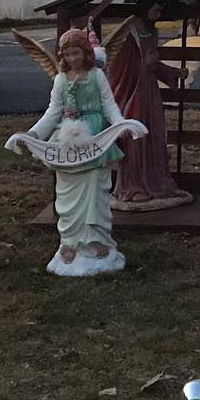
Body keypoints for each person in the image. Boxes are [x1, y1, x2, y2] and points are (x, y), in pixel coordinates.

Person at [26, 28, 128, 275]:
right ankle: (69, 242)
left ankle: (98, 240)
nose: (72, 58)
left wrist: (120, 124)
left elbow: (109, 104)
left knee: (95, 191)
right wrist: (34, 134)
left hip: (94, 138)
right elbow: (53, 111)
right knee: (67, 195)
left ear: (86, 53)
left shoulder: (97, 75)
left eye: (76, 53)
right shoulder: (61, 79)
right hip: (68, 139)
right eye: (68, 54)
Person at [105, 0, 193, 209]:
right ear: (145, 7)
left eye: (160, 11)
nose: (158, 15)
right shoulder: (129, 32)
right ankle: (132, 185)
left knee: (154, 136)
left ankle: (155, 182)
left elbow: (153, 65)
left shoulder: (152, 32)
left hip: (150, 93)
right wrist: (143, 65)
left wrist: (173, 73)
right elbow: (117, 65)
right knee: (135, 138)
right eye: (155, 10)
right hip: (133, 93)